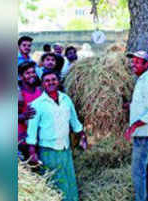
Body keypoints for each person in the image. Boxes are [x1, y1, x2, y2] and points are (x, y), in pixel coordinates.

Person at [26, 71, 87, 201]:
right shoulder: (37, 104)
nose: (51, 83)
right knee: (54, 184)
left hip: (65, 148)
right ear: (42, 84)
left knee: (69, 179)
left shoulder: (66, 99)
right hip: (48, 150)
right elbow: (31, 132)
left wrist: (82, 136)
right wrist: (32, 153)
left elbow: (74, 121)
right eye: (47, 81)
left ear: (58, 81)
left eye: (53, 79)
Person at [125, 51, 148, 201]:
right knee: (147, 167)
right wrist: (131, 106)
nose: (134, 64)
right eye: (133, 61)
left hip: (144, 132)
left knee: (137, 171)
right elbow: (145, 105)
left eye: (138, 62)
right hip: (143, 131)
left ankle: (141, 198)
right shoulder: (141, 80)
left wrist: (133, 126)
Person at [18, 61, 42, 161]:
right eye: (27, 73)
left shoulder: (39, 91)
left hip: (38, 137)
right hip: (23, 138)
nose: (31, 75)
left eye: (33, 72)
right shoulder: (19, 94)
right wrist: (23, 116)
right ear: (20, 76)